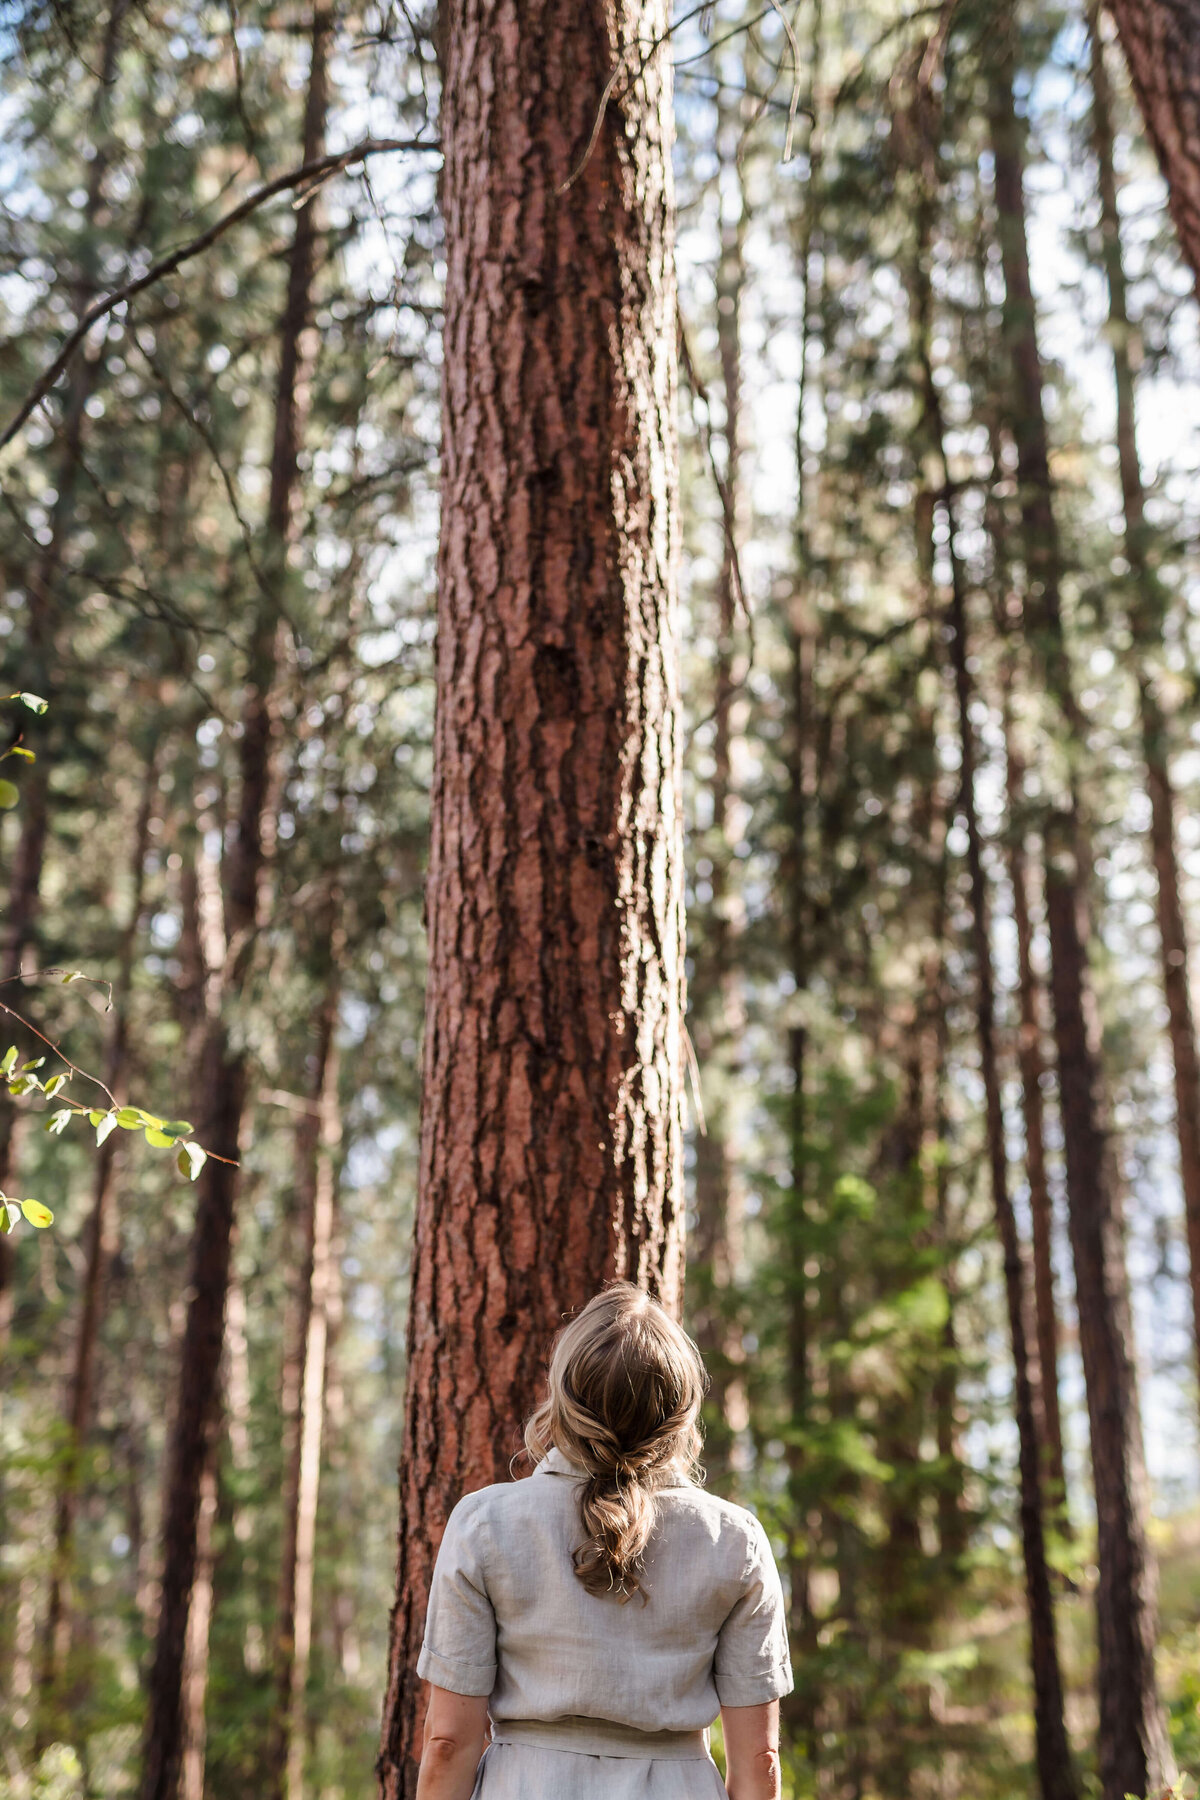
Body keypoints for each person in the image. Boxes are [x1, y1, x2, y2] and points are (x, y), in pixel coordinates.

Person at [414, 1280, 792, 1800]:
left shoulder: (484, 1524)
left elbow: (447, 1744)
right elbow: (760, 1761)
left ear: (564, 1396)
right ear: (681, 1406)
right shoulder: (734, 1541)